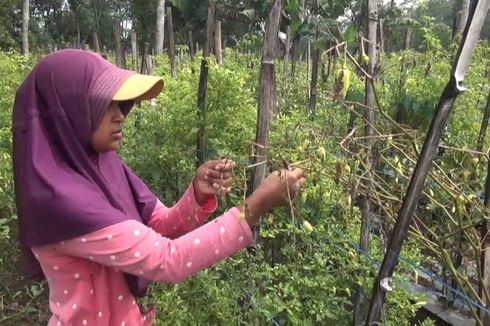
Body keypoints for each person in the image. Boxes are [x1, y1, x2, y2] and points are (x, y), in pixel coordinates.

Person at [12, 49, 306, 326]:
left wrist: (197, 195)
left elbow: (158, 224)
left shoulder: (102, 165)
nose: (120, 114)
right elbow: (167, 258)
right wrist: (255, 206)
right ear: (68, 111)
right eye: (104, 104)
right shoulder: (58, 201)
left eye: (120, 104)